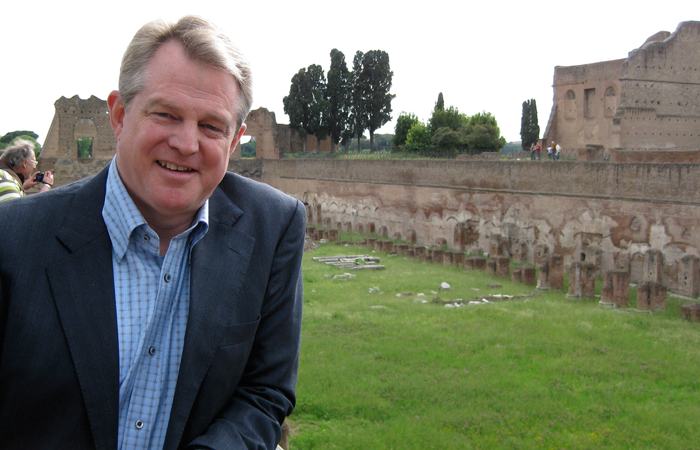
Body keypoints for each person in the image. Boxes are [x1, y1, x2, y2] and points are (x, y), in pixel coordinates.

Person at [0, 15, 305, 450]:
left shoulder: (275, 226)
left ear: (235, 141)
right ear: (120, 115)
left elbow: (265, 392)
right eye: (166, 114)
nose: (186, 143)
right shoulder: (13, 238)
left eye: (211, 126)